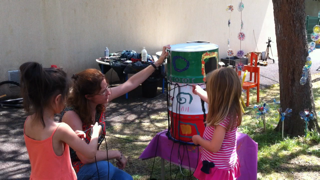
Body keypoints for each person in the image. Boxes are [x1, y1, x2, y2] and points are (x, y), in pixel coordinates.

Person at [60, 45, 170, 180]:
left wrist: (157, 63)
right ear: (88, 97)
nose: (108, 93)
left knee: (126, 178)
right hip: (70, 170)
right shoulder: (71, 115)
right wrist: (116, 153)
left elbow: (131, 83)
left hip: (91, 165)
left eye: (107, 87)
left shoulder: (99, 101)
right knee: (104, 169)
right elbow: (86, 157)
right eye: (103, 91)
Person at [21, 62, 102, 179]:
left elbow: (47, 148)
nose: (66, 102)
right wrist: (95, 133)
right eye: (65, 97)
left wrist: (70, 137)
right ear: (57, 99)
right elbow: (90, 153)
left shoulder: (28, 121)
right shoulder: (61, 129)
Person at [192, 67, 242, 180]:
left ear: (218, 94)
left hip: (217, 169)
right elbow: (211, 100)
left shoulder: (222, 119)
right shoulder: (229, 108)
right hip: (219, 163)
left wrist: (198, 139)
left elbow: (214, 147)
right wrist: (200, 92)